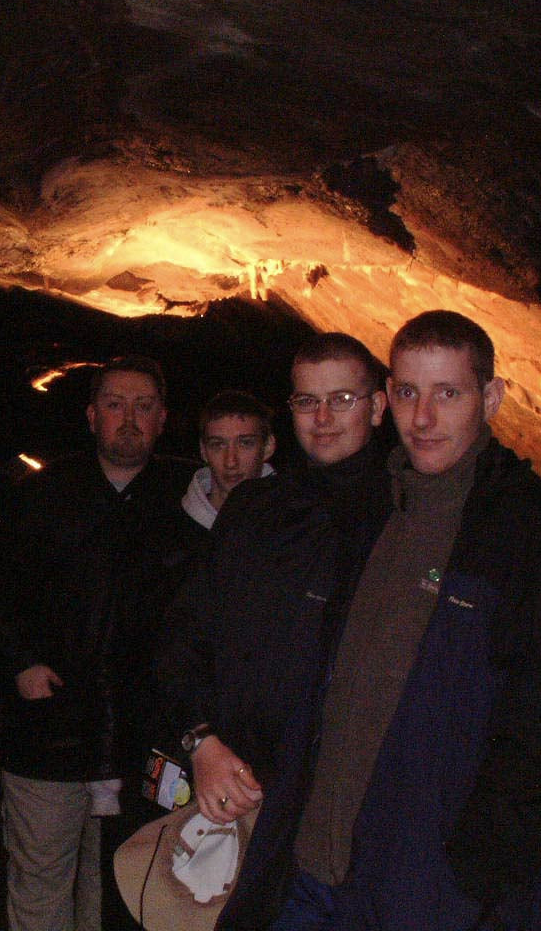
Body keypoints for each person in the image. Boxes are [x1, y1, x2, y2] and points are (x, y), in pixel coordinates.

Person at [218, 311, 541, 931]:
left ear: (491, 399)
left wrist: (481, 869)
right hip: (316, 866)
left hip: (429, 886)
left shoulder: (526, 532)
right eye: (407, 393)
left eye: (447, 394)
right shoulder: (373, 507)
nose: (422, 418)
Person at [0, 355, 195, 931]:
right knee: (41, 877)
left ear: (162, 419)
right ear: (91, 415)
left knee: (123, 886)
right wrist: (20, 663)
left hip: (142, 736)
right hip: (48, 732)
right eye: (114, 404)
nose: (129, 419)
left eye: (143, 406)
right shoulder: (42, 494)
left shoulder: (187, 500)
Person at [159, 332, 392, 826]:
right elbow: (187, 634)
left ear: (376, 407)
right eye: (307, 401)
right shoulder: (252, 510)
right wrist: (201, 741)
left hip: (353, 795)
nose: (322, 418)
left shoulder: (404, 518)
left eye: (341, 399)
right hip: (240, 782)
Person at [181, 390, 277, 532]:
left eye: (245, 443)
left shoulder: (293, 521)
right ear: (203, 450)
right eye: (218, 445)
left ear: (268, 447)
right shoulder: (172, 528)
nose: (230, 462)